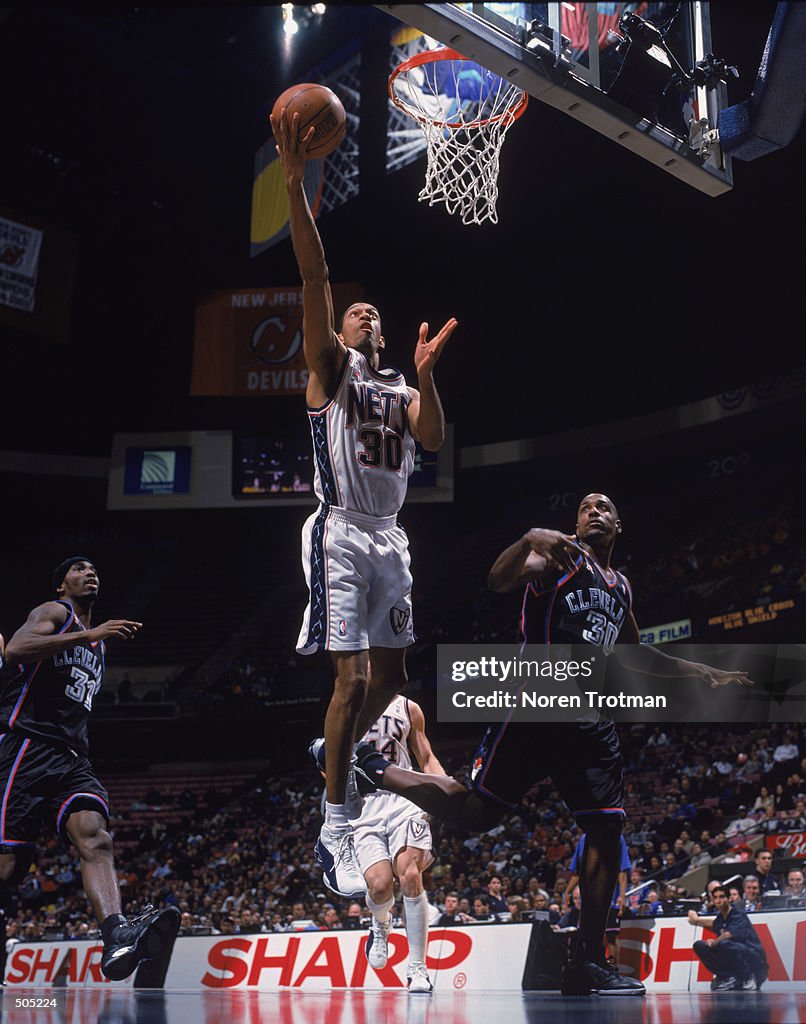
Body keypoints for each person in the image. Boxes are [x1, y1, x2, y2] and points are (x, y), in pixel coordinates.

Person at [353, 493, 750, 995]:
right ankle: (372, 768)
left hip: (592, 720)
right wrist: (526, 540)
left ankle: (585, 962)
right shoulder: (557, 556)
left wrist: (700, 670)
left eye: (604, 506)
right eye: (585, 506)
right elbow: (497, 580)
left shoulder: (621, 586)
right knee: (477, 813)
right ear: (576, 523)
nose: (594, 511)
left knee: (607, 829)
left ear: (618, 524)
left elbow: (634, 652)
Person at [270, 96, 456, 901]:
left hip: (392, 534)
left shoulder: (393, 384)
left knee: (395, 676)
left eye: (370, 310)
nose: (365, 312)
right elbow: (313, 273)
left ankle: (335, 758)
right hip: (341, 528)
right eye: (356, 311)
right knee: (350, 682)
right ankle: (334, 820)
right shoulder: (332, 371)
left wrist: (424, 376)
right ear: (340, 333)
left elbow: (437, 439)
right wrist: (291, 184)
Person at [0, 557, 180, 981]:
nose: (90, 572)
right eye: (79, 569)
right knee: (10, 868)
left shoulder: (99, 645)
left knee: (95, 836)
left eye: (94, 568)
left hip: (71, 757)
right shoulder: (55, 613)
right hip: (27, 746)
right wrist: (90, 632)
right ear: (62, 583)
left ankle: (116, 935)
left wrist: (94, 636)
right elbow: (15, 650)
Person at [312, 695, 444, 993]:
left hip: (405, 799)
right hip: (363, 807)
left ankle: (417, 969)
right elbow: (328, 761)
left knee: (410, 873)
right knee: (380, 885)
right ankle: (381, 922)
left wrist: (443, 787)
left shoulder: (409, 707)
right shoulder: (347, 702)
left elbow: (426, 757)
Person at [565, 832, 630, 968]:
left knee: (611, 935)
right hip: (588, 898)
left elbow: (621, 870)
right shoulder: (584, 838)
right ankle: (587, 970)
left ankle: (613, 970)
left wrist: (622, 895)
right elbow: (578, 870)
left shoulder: (616, 836)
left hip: (610, 897)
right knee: (585, 935)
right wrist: (567, 891)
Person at [688, 884, 768, 991]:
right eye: (715, 898)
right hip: (734, 954)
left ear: (729, 899)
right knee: (699, 945)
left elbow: (728, 935)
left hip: (753, 958)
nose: (718, 901)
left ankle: (748, 977)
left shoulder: (738, 914)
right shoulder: (720, 918)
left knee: (723, 943)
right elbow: (716, 927)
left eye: (721, 897)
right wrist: (697, 921)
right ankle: (726, 977)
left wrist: (714, 942)